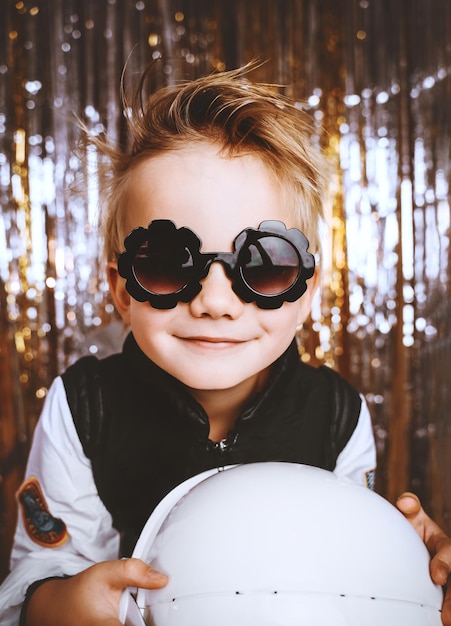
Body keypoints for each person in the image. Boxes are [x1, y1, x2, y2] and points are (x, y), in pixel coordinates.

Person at [0, 64, 450, 626]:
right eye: (166, 264)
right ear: (121, 291)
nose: (216, 301)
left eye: (264, 265)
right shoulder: (83, 407)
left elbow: (341, 579)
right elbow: (39, 569)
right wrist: (58, 603)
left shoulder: (337, 415)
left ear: (306, 293)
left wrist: (405, 570)